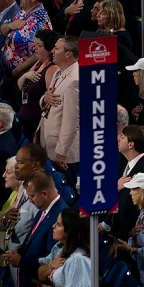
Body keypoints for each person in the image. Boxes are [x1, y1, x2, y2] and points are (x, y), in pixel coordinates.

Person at [37, 36, 80, 183]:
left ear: (68, 53)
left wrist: (62, 151)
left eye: (56, 48)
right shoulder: (58, 72)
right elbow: (48, 96)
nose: (52, 51)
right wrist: (44, 99)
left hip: (63, 153)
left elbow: (71, 119)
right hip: (49, 143)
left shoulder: (75, 79)